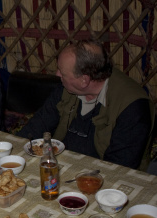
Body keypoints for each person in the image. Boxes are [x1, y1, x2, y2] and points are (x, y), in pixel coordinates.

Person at [16, 39, 154, 170]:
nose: (57, 75)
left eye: (62, 73)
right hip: (61, 165)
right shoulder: (67, 88)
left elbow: (119, 166)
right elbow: (38, 125)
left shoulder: (132, 107)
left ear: (84, 80)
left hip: (99, 176)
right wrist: (16, 150)